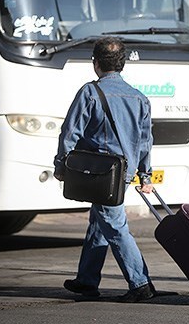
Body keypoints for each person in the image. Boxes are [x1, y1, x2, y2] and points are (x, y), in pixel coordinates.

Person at [54, 36, 157, 303]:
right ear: (122, 64)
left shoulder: (90, 92)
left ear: (95, 63)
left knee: (114, 225)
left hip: (99, 173)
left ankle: (141, 284)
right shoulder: (140, 98)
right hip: (122, 173)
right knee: (99, 223)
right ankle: (86, 281)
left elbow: (70, 132)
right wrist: (145, 175)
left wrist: (61, 165)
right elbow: (145, 141)